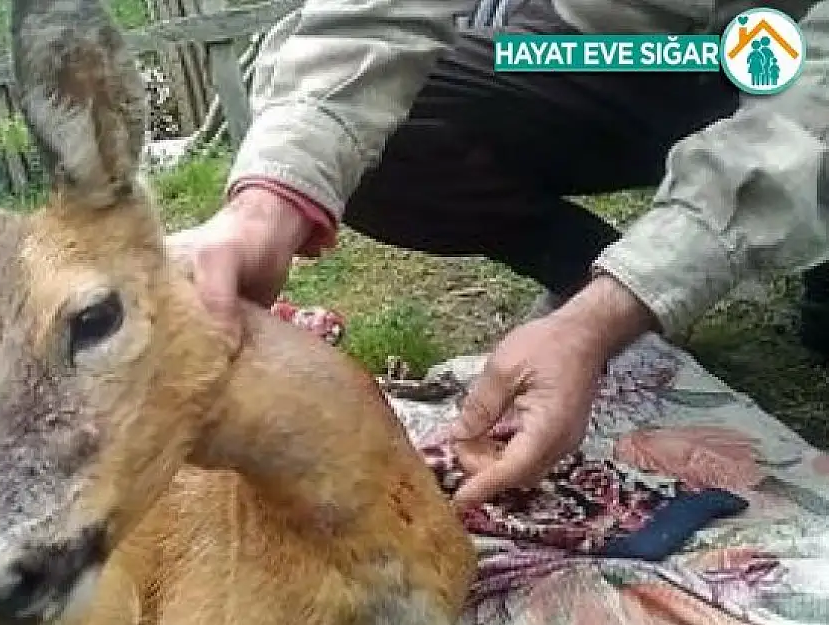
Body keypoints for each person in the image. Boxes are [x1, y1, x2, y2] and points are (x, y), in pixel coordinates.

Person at [165, 0, 829, 508]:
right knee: (389, 127)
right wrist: (269, 199)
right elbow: (373, 16)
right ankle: (589, 276)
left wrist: (626, 300)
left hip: (793, 50)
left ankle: (630, 297)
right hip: (606, 51)